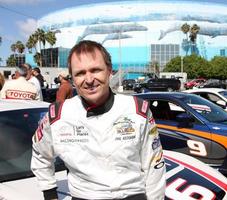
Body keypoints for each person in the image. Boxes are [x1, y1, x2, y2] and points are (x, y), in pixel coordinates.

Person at [31, 40, 166, 200]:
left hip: (132, 195)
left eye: (95, 70)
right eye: (80, 73)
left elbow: (154, 165)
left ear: (109, 70)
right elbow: (40, 153)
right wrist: (49, 192)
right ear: (72, 77)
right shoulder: (58, 114)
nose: (89, 80)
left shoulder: (137, 109)